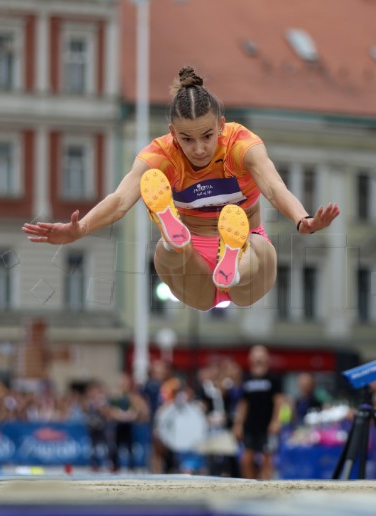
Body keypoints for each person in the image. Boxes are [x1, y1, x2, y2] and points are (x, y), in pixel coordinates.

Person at [22, 66, 340, 311]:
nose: (199, 148)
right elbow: (120, 200)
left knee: (256, 258)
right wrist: (80, 229)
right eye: (187, 139)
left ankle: (230, 260)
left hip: (244, 239)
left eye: (207, 136)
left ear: (221, 126)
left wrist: (302, 219)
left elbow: (273, 186)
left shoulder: (241, 144)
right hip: (197, 254)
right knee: (183, 265)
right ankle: (178, 240)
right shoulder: (162, 155)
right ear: (173, 133)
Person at [234, 345, 283, 480]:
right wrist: (238, 424)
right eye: (255, 355)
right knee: (246, 460)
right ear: (251, 358)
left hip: (267, 425)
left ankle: (267, 486)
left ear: (266, 358)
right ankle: (250, 486)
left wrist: (276, 421)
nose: (258, 358)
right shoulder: (246, 379)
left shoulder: (273, 378)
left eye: (261, 355)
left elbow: (279, 402)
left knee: (267, 459)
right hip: (250, 425)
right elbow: (243, 404)